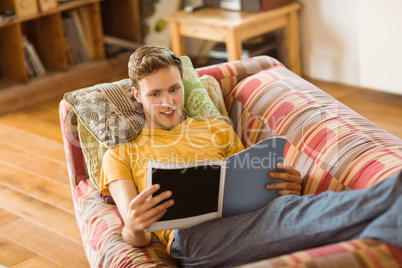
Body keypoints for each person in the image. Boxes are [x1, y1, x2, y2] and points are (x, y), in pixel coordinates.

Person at [100, 45, 402, 267]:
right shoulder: (120, 154)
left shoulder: (215, 127)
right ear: (136, 95)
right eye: (155, 94)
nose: (168, 102)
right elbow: (133, 234)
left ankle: (392, 218)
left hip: (254, 217)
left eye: (174, 89)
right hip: (193, 238)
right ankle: (394, 193)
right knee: (291, 217)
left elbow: (246, 181)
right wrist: (135, 226)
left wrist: (281, 184)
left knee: (296, 210)